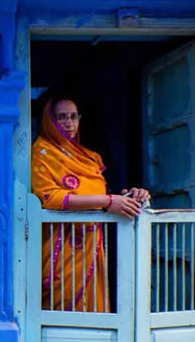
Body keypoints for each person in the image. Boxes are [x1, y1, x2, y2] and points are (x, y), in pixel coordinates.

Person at [31, 97, 150, 312]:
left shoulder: (90, 157)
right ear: (49, 121)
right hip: (61, 242)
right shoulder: (41, 155)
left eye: (73, 116)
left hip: (91, 242)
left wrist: (129, 196)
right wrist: (108, 201)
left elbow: (103, 193)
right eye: (61, 117)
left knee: (92, 302)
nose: (69, 123)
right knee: (60, 301)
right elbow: (51, 198)